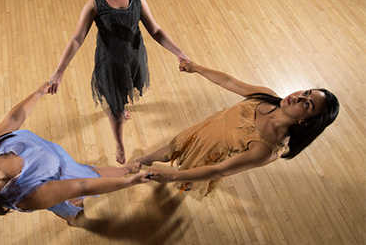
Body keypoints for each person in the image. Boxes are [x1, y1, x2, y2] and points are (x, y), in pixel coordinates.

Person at [48, 0, 190, 164]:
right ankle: (120, 144)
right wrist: (59, 72)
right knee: (115, 108)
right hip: (110, 64)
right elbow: (76, 39)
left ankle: (122, 108)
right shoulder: (95, 3)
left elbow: (156, 30)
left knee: (127, 91)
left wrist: (179, 53)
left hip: (134, 58)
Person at [0, 82, 149, 225]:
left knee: (85, 172)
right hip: (65, 180)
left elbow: (13, 121)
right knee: (80, 191)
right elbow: (82, 184)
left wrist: (38, 94)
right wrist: (131, 182)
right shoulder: (26, 195)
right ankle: (74, 212)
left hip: (61, 163)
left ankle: (123, 172)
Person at [135, 61, 339, 198]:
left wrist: (170, 176)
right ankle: (146, 159)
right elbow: (228, 81)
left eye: (307, 104)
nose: (298, 97)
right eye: (306, 92)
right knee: (176, 145)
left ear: (305, 122)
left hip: (210, 157)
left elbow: (219, 170)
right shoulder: (266, 95)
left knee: (188, 173)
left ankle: (179, 181)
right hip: (206, 129)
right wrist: (196, 68)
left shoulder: (266, 150)